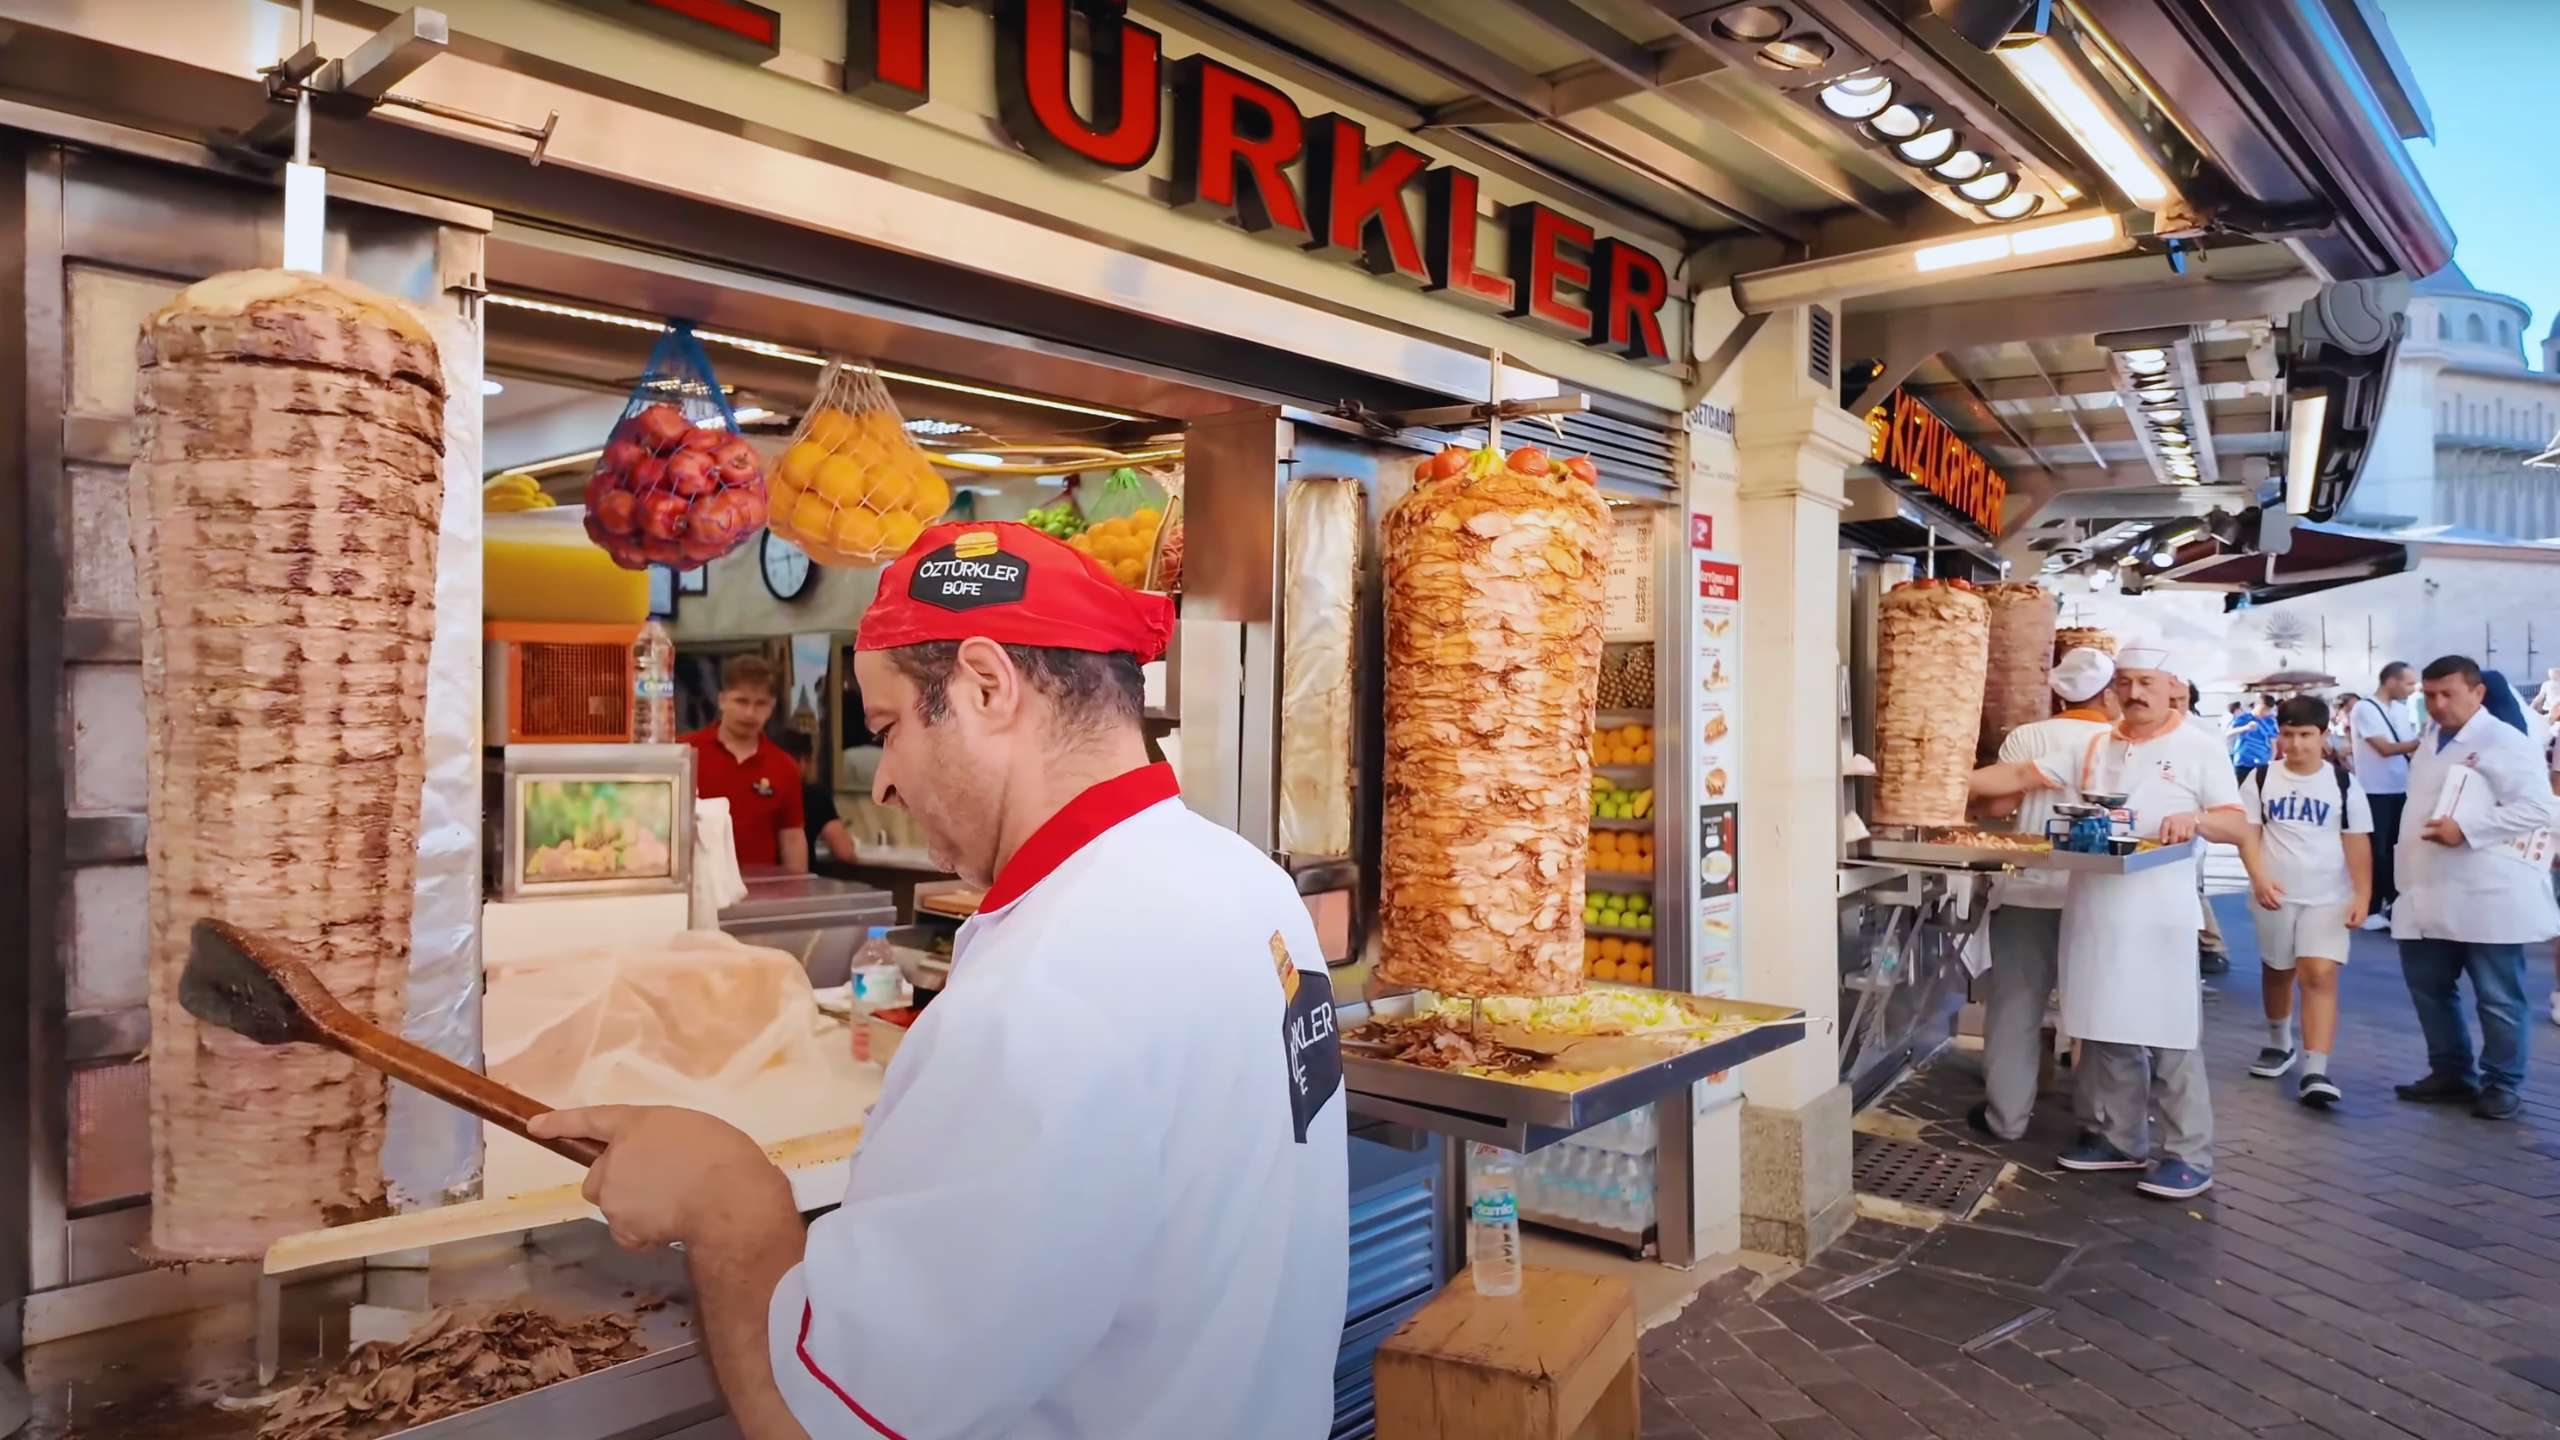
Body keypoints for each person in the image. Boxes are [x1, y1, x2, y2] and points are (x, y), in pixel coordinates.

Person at [533, 521, 1349, 1440]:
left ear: (987, 686)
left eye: (887, 729)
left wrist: (726, 1198)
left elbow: (827, 1419)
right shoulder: (1247, 883)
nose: (883, 783)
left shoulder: (1048, 993)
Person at [1972, 647, 2276, 1198]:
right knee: (2103, 1022)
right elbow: (2019, 774)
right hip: (2094, 907)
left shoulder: (2198, 749)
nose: (2136, 694)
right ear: (2113, 688)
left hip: (2158, 914)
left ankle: (2189, 1153)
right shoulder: (2096, 745)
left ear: (2170, 688)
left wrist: (2199, 819)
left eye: (2148, 684)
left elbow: (2238, 826)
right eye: (2127, 683)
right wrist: (1944, 784)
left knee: (2169, 1031)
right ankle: (2118, 1138)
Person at [2389, 655, 2560, 1122]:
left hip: (2487, 891)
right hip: (2426, 886)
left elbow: (2538, 810)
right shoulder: (2430, 737)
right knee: (2429, 987)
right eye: (2429, 696)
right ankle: (2450, 1071)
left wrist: (2467, 829)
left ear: (2477, 693)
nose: (2438, 705)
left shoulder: (2503, 739)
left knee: (2498, 994)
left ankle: (2503, 1082)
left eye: (2448, 694)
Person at [1964, 646, 2117, 1142]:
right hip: (2097, 893)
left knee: (2015, 1008)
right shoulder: (2119, 741)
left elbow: (2001, 801)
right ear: (2110, 691)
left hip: (2028, 889)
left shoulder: (2029, 736)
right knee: (2096, 1008)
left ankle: (2006, 1119)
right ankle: (2099, 1123)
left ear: (2056, 691)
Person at [2239, 697, 2372, 1106]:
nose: (2296, 744)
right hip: (2276, 894)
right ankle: (2280, 1041)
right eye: (2289, 734)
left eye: (2306, 735)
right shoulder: (2261, 779)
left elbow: (2356, 842)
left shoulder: (2343, 783)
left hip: (2328, 896)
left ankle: (2316, 1068)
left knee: (2318, 973)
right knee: (2278, 970)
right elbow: (2248, 836)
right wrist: (2259, 878)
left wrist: (2362, 895)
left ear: (2323, 735)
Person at [685, 655, 810, 875]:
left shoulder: (784, 767)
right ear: (722, 700)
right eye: (741, 701)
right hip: (696, 887)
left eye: (760, 704)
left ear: (771, 707)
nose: (750, 713)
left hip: (762, 895)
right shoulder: (686, 752)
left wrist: (797, 894)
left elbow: (792, 837)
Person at [2349, 663, 2421, 925]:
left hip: (2400, 788)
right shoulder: (2365, 709)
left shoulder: (2401, 711)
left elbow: (2406, 747)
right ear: (2391, 681)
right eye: (2408, 683)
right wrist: (2424, 740)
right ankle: (2370, 906)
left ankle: (2393, 904)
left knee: (2396, 850)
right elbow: (2384, 748)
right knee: (2376, 852)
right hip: (2374, 791)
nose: (2412, 689)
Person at [2174, 683, 2232, 976]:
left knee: (2190, 885)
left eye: (2180, 700)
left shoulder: (2205, 734)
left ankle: (2212, 946)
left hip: (2195, 825)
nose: (2173, 706)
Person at [775, 729, 857, 867]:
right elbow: (845, 852)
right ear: (803, 761)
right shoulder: (815, 796)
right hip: (799, 882)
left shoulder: (761, 791)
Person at [2230, 697, 2278, 771]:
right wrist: (2245, 728)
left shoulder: (2270, 721)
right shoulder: (2243, 717)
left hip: (2262, 762)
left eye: (2268, 710)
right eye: (2263, 709)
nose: (2265, 712)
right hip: (2243, 762)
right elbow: (2228, 733)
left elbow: (2274, 745)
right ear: (2256, 705)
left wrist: (2271, 761)